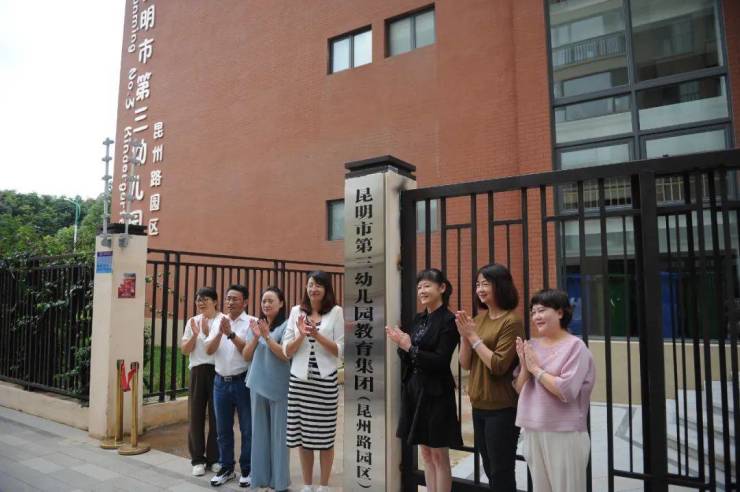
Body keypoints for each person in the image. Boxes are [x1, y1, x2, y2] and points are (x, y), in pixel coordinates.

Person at [386, 268, 463, 492]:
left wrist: (409, 347)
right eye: (419, 287)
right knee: (426, 454)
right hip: (415, 390)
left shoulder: (449, 321)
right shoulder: (419, 319)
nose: (422, 291)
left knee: (439, 454)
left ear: (442, 288)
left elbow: (440, 360)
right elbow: (408, 354)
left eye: (427, 286)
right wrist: (402, 344)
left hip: (437, 392)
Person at [513, 289, 596, 492]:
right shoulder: (532, 345)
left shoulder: (576, 347)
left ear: (560, 312)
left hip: (565, 432)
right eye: (533, 312)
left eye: (542, 310)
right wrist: (525, 366)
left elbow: (566, 390)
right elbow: (519, 388)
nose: (536, 316)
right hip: (533, 430)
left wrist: (535, 369)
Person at [455, 264, 524, 491]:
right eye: (478, 284)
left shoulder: (511, 321)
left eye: (486, 283)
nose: (480, 289)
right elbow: (465, 364)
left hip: (502, 408)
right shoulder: (479, 318)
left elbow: (498, 365)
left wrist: (473, 337)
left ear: (501, 285)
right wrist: (464, 337)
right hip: (479, 405)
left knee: (501, 471)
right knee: (489, 466)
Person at [282, 271, 344, 492]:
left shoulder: (336, 312)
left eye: (318, 285)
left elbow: (340, 350)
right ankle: (307, 485)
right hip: (299, 381)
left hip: (325, 381)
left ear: (327, 289)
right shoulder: (296, 312)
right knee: (302, 437)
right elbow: (286, 350)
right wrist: (301, 334)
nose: (313, 289)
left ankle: (324, 485)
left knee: (325, 438)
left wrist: (317, 335)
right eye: (310, 284)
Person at [205, 284, 256, 488]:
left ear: (245, 302)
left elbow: (248, 352)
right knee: (223, 429)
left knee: (247, 429)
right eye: (228, 298)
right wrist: (220, 332)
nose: (230, 302)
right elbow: (209, 350)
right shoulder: (218, 320)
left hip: (242, 382)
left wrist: (231, 334)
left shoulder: (251, 322)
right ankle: (226, 468)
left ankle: (247, 469)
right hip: (220, 382)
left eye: (235, 298)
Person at [243, 287, 291, 492]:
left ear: (281, 303)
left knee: (280, 437)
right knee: (259, 434)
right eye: (264, 301)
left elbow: (285, 355)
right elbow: (246, 355)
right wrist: (256, 337)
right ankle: (260, 478)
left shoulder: (287, 326)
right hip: (257, 384)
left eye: (271, 300)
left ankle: (279, 482)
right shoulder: (256, 325)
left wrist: (267, 337)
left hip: (279, 387)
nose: (266, 304)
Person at [180, 287, 221, 477]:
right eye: (198, 299)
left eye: (205, 299)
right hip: (197, 370)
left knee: (216, 417)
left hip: (217, 371)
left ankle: (214, 458)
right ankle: (197, 459)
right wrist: (196, 335)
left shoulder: (222, 320)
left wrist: (206, 333)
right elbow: (184, 350)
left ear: (215, 301)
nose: (201, 303)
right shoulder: (192, 321)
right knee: (195, 416)